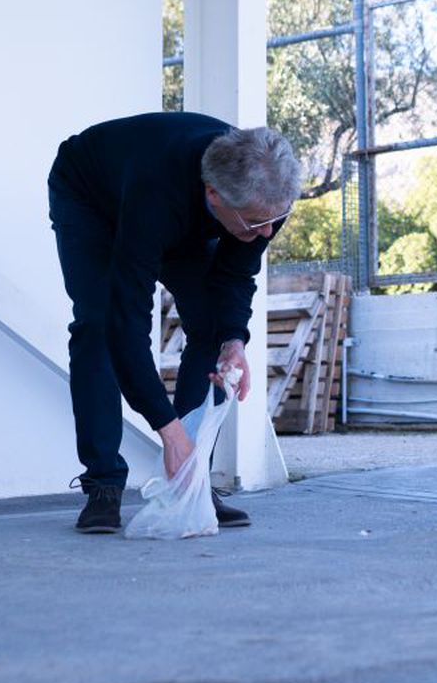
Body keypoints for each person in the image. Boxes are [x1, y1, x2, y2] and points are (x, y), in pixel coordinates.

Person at [48, 112, 301, 533]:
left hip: (177, 206)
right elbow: (126, 323)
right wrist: (169, 431)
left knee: (214, 327)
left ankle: (191, 480)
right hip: (90, 196)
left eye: (275, 221)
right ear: (214, 195)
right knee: (96, 325)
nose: (268, 231)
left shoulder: (266, 200)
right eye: (258, 223)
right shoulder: (157, 195)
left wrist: (235, 339)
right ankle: (103, 484)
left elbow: (237, 274)